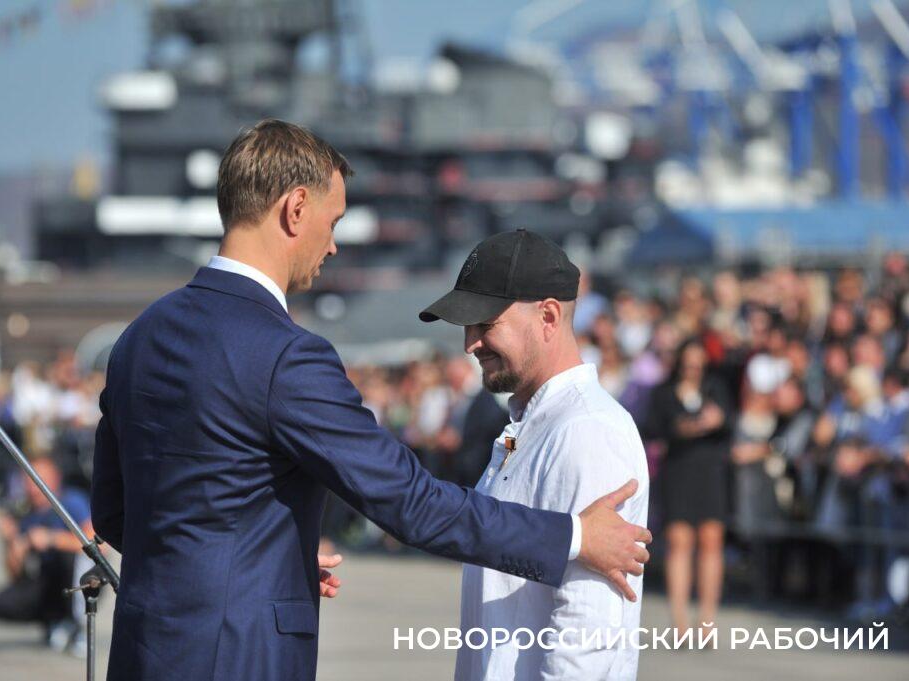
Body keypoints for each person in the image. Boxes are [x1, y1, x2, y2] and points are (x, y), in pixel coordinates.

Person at [90, 120, 652, 681]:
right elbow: (409, 502)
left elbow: (118, 513)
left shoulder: (139, 338)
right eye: (333, 221)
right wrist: (574, 536)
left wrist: (263, 559)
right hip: (239, 657)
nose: (333, 244)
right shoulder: (286, 356)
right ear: (296, 209)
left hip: (145, 651)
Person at [420, 229, 649, 681]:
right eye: (467, 327)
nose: (470, 344)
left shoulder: (587, 430)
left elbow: (588, 631)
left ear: (548, 316)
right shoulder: (530, 423)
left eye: (485, 324)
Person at [644, 338, 732, 638]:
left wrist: (718, 420)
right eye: (688, 363)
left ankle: (707, 619)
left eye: (698, 363)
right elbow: (653, 427)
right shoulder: (663, 392)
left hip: (710, 470)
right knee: (679, 541)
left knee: (711, 539)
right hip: (678, 470)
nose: (693, 369)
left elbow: (730, 424)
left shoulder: (716, 388)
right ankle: (679, 619)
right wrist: (680, 428)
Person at [0, 456, 92, 655]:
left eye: (37, 479)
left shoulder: (71, 501)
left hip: (79, 579)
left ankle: (76, 626)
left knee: (68, 559)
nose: (32, 487)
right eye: (27, 480)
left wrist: (52, 539)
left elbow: (96, 545)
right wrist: (11, 541)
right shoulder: (25, 513)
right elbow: (15, 576)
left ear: (55, 479)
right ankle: (53, 620)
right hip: (46, 581)